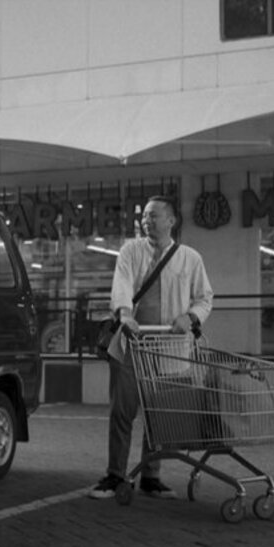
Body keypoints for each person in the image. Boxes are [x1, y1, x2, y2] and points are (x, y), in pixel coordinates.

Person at [89, 195, 213, 500]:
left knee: (162, 413)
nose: (146, 221)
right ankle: (115, 475)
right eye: (144, 215)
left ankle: (151, 477)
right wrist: (125, 314)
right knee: (123, 410)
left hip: (169, 346)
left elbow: (204, 297)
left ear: (171, 220)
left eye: (153, 215)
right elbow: (122, 284)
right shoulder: (131, 250)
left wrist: (190, 316)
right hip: (132, 343)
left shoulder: (190, 258)